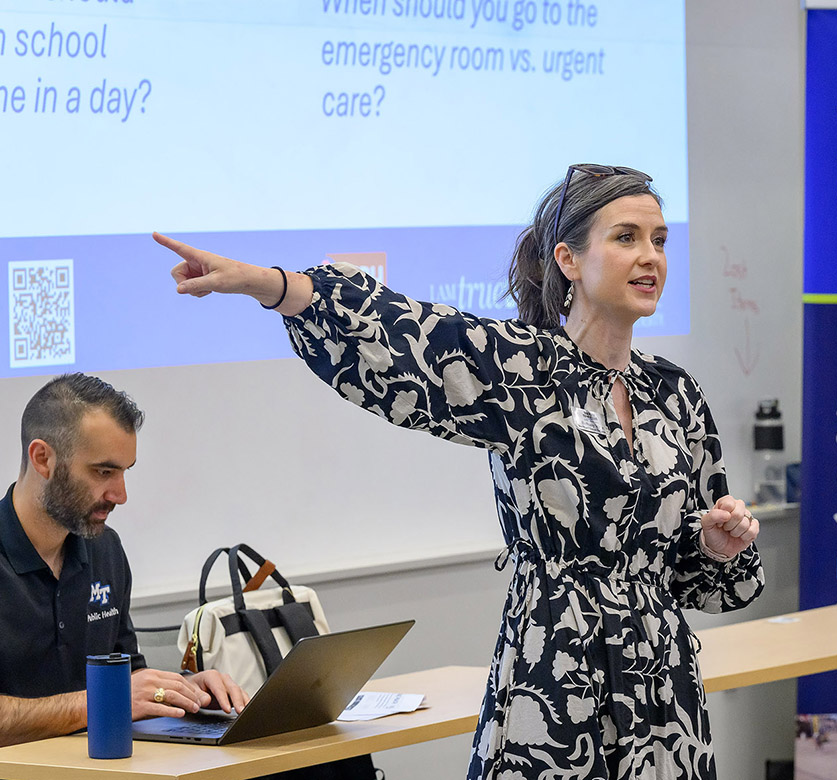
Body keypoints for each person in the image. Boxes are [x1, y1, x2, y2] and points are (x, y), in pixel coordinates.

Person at [154, 164, 765, 780]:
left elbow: (705, 582)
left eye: (660, 240)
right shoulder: (529, 371)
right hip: (560, 671)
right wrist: (270, 284)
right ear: (569, 261)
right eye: (626, 237)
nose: (650, 256)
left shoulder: (675, 394)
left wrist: (714, 543)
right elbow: (406, 336)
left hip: (662, 684)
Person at [0, 374, 248, 747]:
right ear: (43, 459)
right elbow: (112, 697)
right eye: (103, 471)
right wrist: (103, 702)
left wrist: (182, 693)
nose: (120, 494)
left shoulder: (105, 549)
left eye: (124, 471)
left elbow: (127, 675)